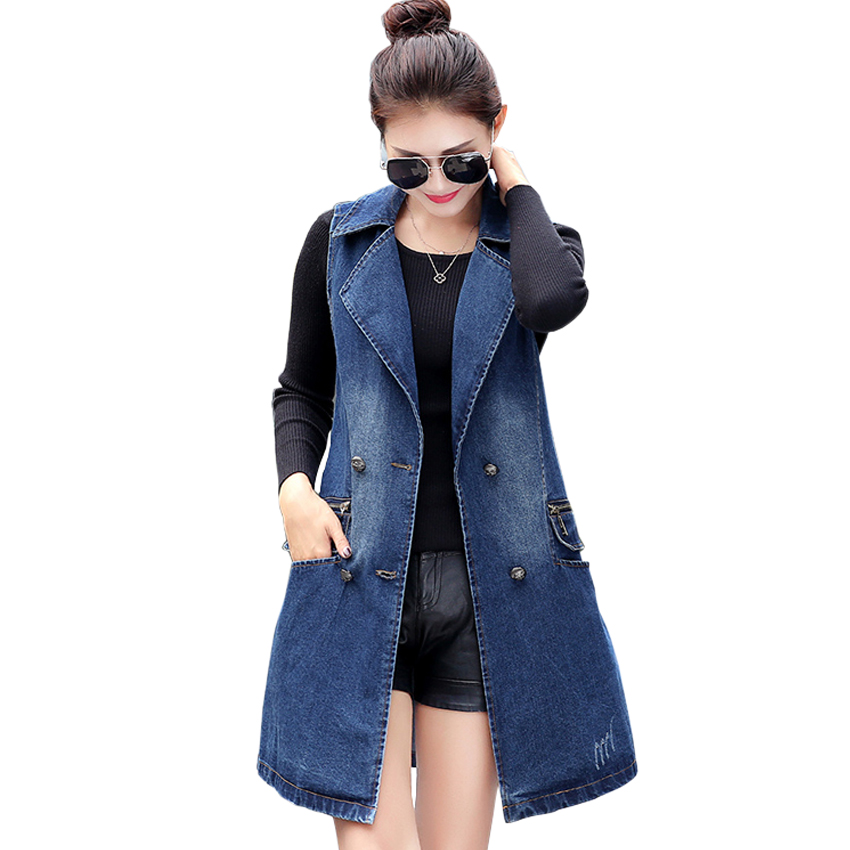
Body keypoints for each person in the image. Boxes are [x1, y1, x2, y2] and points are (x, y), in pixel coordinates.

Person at [257, 2, 637, 847]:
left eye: (461, 158)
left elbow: (553, 300)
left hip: (490, 585)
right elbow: (302, 389)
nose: (436, 182)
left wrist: (514, 180)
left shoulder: (533, 246)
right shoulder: (340, 243)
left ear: (496, 128)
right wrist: (292, 490)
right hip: (358, 571)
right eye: (408, 164)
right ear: (378, 141)